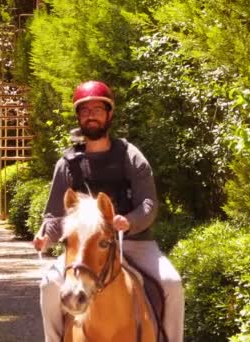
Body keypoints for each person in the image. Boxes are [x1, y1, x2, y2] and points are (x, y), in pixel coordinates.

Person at [33, 80, 184, 342]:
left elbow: (149, 204)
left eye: (97, 109)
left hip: (134, 243)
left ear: (109, 114)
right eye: (84, 110)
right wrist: (46, 235)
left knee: (172, 284)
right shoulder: (67, 164)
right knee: (48, 286)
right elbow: (54, 215)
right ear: (79, 117)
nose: (91, 115)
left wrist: (129, 221)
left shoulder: (130, 155)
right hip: (84, 249)